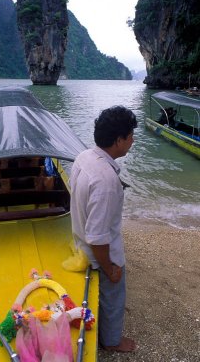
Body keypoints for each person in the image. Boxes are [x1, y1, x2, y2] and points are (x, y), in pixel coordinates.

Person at [70, 106, 137, 353]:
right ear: (119, 140)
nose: (133, 140)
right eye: (130, 135)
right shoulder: (106, 181)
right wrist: (110, 268)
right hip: (97, 254)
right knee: (114, 294)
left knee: (97, 293)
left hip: (79, 242)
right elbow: (98, 238)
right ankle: (111, 341)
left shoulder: (84, 157)